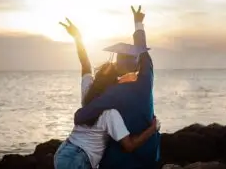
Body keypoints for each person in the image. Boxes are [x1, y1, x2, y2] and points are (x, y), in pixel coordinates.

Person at [53, 17, 160, 169]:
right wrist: (152, 129)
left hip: (64, 152)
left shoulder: (88, 89)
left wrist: (77, 37)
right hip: (79, 159)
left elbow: (85, 64)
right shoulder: (111, 113)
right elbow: (129, 145)